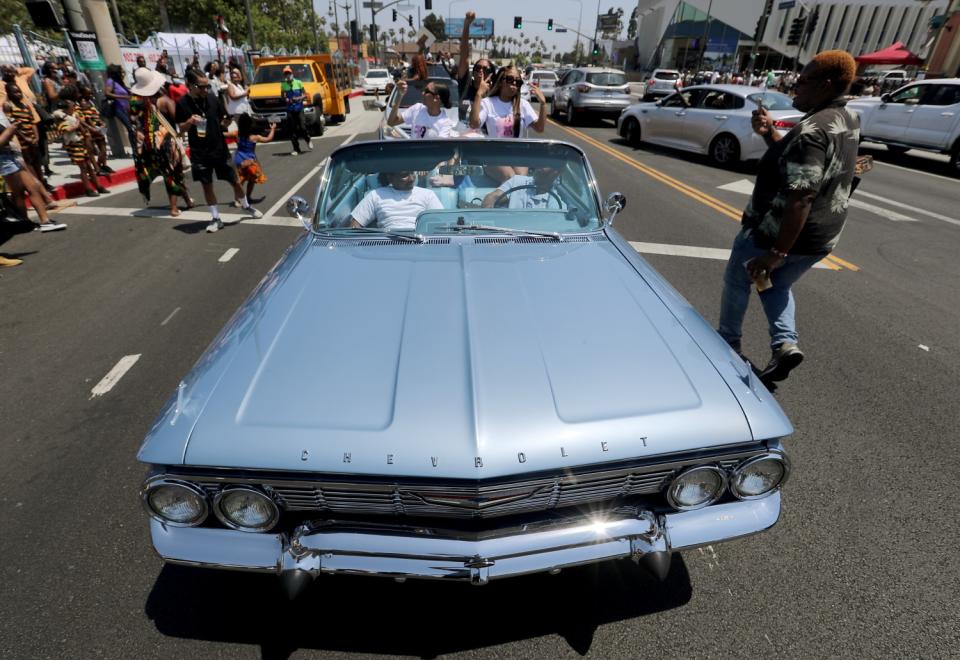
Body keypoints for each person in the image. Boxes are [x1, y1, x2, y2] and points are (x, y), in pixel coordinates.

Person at [717, 50, 860, 387]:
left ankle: (726, 344)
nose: (796, 84)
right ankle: (784, 344)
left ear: (825, 85)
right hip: (821, 238)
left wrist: (776, 253)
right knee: (776, 282)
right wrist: (770, 133)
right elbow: (797, 163)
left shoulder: (812, 131)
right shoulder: (846, 118)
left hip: (774, 234)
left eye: (804, 80)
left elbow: (802, 195)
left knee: (740, 279)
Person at [175, 69, 261, 232]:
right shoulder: (182, 104)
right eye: (201, 87)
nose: (205, 90)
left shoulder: (212, 98)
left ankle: (246, 206)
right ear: (189, 85)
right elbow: (180, 129)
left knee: (234, 181)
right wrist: (189, 122)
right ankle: (215, 217)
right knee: (207, 185)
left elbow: (224, 119)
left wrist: (226, 123)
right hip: (200, 152)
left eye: (207, 86)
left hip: (219, 148)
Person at [131, 67, 196, 217]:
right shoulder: (164, 101)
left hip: (152, 144)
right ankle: (173, 208)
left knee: (174, 173)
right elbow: (178, 119)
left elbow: (137, 123)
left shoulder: (142, 104)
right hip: (167, 143)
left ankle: (187, 200)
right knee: (173, 174)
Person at [469, 65, 546, 182]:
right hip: (493, 156)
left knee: (521, 179)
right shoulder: (487, 103)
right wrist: (479, 94)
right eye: (510, 79)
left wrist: (543, 104)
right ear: (500, 82)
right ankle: (492, 199)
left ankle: (495, 198)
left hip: (517, 155)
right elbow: (474, 124)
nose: (514, 83)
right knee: (511, 178)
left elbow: (540, 128)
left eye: (518, 81)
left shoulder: (523, 105)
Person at [0, 107, 65, 232]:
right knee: (22, 191)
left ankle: (40, 221)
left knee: (29, 188)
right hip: (4, 159)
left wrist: (16, 131)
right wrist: (9, 131)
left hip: (10, 155)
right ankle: (33, 221)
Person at [348, 171, 443, 231]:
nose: (411, 178)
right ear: (390, 177)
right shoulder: (375, 195)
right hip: (385, 244)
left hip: (421, 241)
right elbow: (355, 225)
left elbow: (442, 222)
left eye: (412, 173)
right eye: (404, 175)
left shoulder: (427, 194)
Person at [55, 100, 108, 197]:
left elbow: (83, 126)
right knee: (83, 167)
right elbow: (67, 129)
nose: (74, 107)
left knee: (89, 166)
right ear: (66, 109)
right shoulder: (62, 119)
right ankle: (88, 189)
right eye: (72, 105)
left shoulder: (75, 115)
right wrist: (77, 124)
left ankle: (99, 186)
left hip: (82, 142)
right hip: (74, 145)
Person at [387, 80, 457, 138]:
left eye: (426, 91)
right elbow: (391, 122)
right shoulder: (417, 108)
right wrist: (399, 96)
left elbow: (439, 148)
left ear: (436, 98)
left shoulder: (446, 123)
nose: (422, 93)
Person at [231, 114, 275, 204]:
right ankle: (248, 197)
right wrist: (273, 128)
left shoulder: (237, 134)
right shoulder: (254, 137)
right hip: (250, 161)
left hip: (239, 159)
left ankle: (237, 199)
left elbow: (224, 134)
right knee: (251, 180)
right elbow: (268, 138)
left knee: (240, 180)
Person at [482, 167, 564, 209]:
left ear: (556, 172)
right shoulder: (517, 181)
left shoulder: (556, 201)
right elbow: (492, 197)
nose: (539, 167)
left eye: (546, 164)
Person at [281, 66, 311, 155]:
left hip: (299, 108)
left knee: (303, 127)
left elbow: (305, 95)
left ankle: (308, 139)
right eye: (286, 74)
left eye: (289, 73)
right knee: (292, 130)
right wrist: (285, 98)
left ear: (292, 73)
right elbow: (282, 96)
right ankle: (296, 149)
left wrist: (298, 98)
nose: (288, 75)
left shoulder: (299, 82)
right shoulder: (283, 85)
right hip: (290, 110)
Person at [105, 63, 134, 143]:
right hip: (118, 108)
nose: (122, 74)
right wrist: (124, 97)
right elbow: (107, 93)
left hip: (126, 109)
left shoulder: (119, 82)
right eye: (120, 72)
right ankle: (135, 151)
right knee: (130, 128)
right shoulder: (110, 81)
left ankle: (136, 148)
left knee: (133, 128)